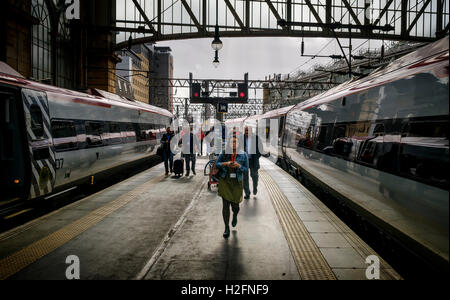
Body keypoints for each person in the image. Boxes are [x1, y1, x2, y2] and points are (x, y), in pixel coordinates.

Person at [215, 136, 249, 238]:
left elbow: (246, 169)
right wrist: (226, 163)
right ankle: (226, 227)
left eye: (235, 142)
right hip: (225, 181)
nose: (233, 144)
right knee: (225, 206)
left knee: (235, 206)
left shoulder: (244, 155)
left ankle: (235, 215)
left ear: (238, 144)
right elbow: (217, 164)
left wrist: (239, 166)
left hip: (237, 183)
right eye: (231, 142)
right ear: (228, 144)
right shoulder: (224, 153)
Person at [243, 126, 264, 199]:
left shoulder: (256, 138)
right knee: (244, 177)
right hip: (244, 161)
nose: (246, 133)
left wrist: (256, 156)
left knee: (254, 176)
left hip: (253, 160)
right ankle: (247, 193)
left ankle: (255, 187)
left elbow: (261, 149)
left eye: (248, 131)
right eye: (245, 131)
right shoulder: (241, 138)